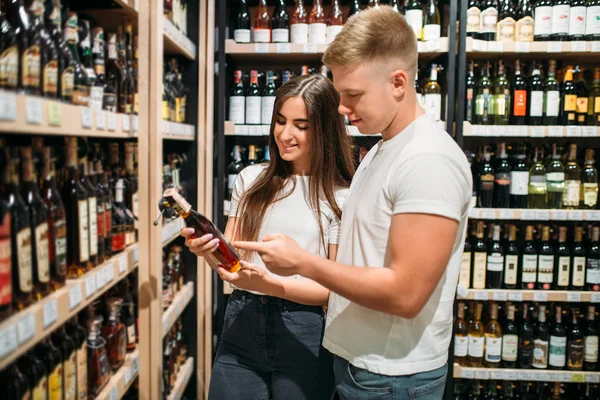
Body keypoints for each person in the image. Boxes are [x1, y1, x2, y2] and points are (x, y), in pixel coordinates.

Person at [235, 6, 473, 400]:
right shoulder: (384, 150)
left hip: (392, 377)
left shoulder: (427, 161)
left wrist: (304, 263)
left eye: (353, 94)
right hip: (361, 366)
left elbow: (405, 294)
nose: (341, 107)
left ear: (398, 82)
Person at [181, 74, 355, 400]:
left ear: (324, 129)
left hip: (305, 331)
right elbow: (231, 261)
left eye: (300, 125)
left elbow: (333, 289)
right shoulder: (250, 180)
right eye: (280, 121)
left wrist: (270, 284)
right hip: (241, 320)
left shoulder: (341, 196)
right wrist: (206, 250)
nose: (285, 135)